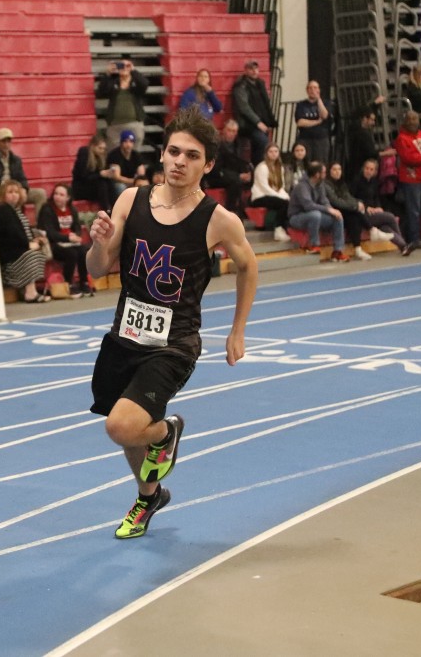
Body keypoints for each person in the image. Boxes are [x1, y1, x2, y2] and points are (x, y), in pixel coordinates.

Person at [85, 106, 257, 539]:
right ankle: (149, 497)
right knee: (129, 430)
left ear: (208, 165)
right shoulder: (131, 200)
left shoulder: (218, 220)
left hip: (173, 345)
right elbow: (97, 268)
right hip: (124, 337)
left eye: (192, 155)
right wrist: (99, 243)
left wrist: (237, 330)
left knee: (122, 426)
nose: (180, 161)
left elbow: (248, 266)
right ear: (162, 154)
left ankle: (167, 432)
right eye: (174, 152)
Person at [323, 162, 396, 261]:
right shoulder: (326, 185)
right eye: (334, 170)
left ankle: (358, 249)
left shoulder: (342, 184)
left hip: (346, 211)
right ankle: (372, 231)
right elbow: (336, 201)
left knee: (354, 218)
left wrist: (358, 203)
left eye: (339, 169)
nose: (337, 172)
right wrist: (355, 206)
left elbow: (348, 197)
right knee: (355, 212)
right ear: (329, 171)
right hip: (333, 211)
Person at [0, 179, 51, 303]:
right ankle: (30, 293)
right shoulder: (2, 209)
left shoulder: (16, 210)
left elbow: (22, 233)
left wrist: (34, 240)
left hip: (19, 249)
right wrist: (28, 245)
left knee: (37, 253)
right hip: (9, 255)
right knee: (32, 255)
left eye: (16, 192)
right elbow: (12, 233)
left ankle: (30, 290)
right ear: (3, 194)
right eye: (10, 192)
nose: (14, 195)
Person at [287, 161, 349, 262]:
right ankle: (314, 245)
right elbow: (308, 206)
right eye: (323, 172)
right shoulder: (302, 186)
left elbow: (324, 201)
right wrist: (328, 210)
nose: (325, 174)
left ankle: (337, 251)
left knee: (337, 217)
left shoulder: (320, 185)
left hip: (315, 215)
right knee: (315, 215)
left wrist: (332, 210)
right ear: (317, 174)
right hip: (296, 217)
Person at [393, 110, 421, 255]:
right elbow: (409, 158)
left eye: (415, 119)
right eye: (410, 119)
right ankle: (413, 239)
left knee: (419, 210)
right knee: (413, 210)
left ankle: (417, 236)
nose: (412, 122)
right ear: (405, 121)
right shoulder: (401, 139)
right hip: (411, 179)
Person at [37, 183, 91, 297]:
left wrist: (76, 235)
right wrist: (68, 238)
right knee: (72, 254)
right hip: (53, 244)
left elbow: (77, 227)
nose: (57, 197)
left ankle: (84, 282)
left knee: (83, 251)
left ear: (68, 198)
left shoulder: (72, 209)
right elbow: (50, 233)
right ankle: (68, 283)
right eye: (56, 194)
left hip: (70, 242)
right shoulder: (47, 209)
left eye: (61, 195)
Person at [350, 159, 407, 251]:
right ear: (363, 169)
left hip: (374, 212)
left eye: (371, 169)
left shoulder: (374, 182)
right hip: (363, 214)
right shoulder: (356, 181)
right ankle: (404, 243)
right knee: (390, 217)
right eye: (367, 168)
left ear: (375, 171)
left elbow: (376, 197)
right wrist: (366, 207)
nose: (368, 171)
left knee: (385, 227)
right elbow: (352, 198)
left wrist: (378, 207)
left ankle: (403, 246)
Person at [0, 127, 47, 214]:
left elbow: (22, 178)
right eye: (3, 141)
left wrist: (24, 188)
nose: (6, 144)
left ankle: (42, 222)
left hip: (14, 189)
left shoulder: (16, 159)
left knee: (40, 194)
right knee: (11, 195)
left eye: (8, 141)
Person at [231, 59, 277, 165]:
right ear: (246, 70)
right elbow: (244, 108)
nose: (254, 71)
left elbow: (265, 105)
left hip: (261, 123)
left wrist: (269, 121)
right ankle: (259, 168)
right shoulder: (241, 86)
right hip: (246, 124)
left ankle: (258, 168)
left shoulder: (260, 84)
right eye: (251, 69)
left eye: (256, 68)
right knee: (263, 142)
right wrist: (258, 122)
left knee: (260, 146)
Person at [98, 59, 148, 150]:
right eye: (121, 66)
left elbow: (144, 84)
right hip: (115, 125)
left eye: (127, 66)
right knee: (114, 153)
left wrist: (133, 70)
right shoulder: (113, 82)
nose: (124, 68)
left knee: (134, 154)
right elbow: (102, 90)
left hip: (135, 123)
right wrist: (108, 74)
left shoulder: (135, 82)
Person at [205, 119, 252, 214]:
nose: (231, 133)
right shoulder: (216, 145)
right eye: (229, 130)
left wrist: (246, 174)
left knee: (248, 180)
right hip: (215, 176)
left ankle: (244, 210)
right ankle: (231, 210)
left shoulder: (237, 145)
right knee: (236, 182)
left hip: (230, 175)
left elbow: (240, 162)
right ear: (224, 130)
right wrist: (238, 176)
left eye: (233, 131)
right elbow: (215, 169)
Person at [249, 142, 291, 242]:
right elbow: (264, 187)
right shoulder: (262, 167)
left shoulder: (280, 167)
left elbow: (281, 186)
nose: (273, 154)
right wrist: (279, 196)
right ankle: (278, 229)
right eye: (271, 151)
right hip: (260, 197)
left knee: (288, 202)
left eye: (276, 151)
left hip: (273, 195)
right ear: (266, 153)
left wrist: (286, 196)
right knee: (283, 203)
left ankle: (284, 228)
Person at [72, 134, 117, 210]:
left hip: (94, 187)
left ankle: (115, 209)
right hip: (81, 187)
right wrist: (100, 174)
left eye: (103, 149)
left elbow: (101, 174)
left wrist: (108, 173)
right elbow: (83, 176)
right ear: (93, 146)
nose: (102, 151)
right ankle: (107, 210)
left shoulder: (101, 157)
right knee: (102, 184)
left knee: (109, 183)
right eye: (100, 148)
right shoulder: (84, 153)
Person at [295, 80, 332, 164]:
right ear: (307, 90)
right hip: (305, 138)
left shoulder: (326, 103)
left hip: (321, 139)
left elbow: (324, 115)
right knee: (306, 163)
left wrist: (318, 100)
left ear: (319, 90)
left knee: (321, 164)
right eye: (310, 88)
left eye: (315, 88)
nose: (312, 90)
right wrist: (317, 122)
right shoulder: (301, 104)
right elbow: (300, 122)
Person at [107, 130, 149, 197]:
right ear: (121, 143)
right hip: (117, 183)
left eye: (131, 142)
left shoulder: (136, 155)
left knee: (143, 186)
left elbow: (141, 175)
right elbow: (117, 177)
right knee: (121, 187)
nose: (128, 145)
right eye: (125, 141)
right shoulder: (114, 155)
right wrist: (134, 181)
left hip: (132, 182)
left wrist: (136, 183)